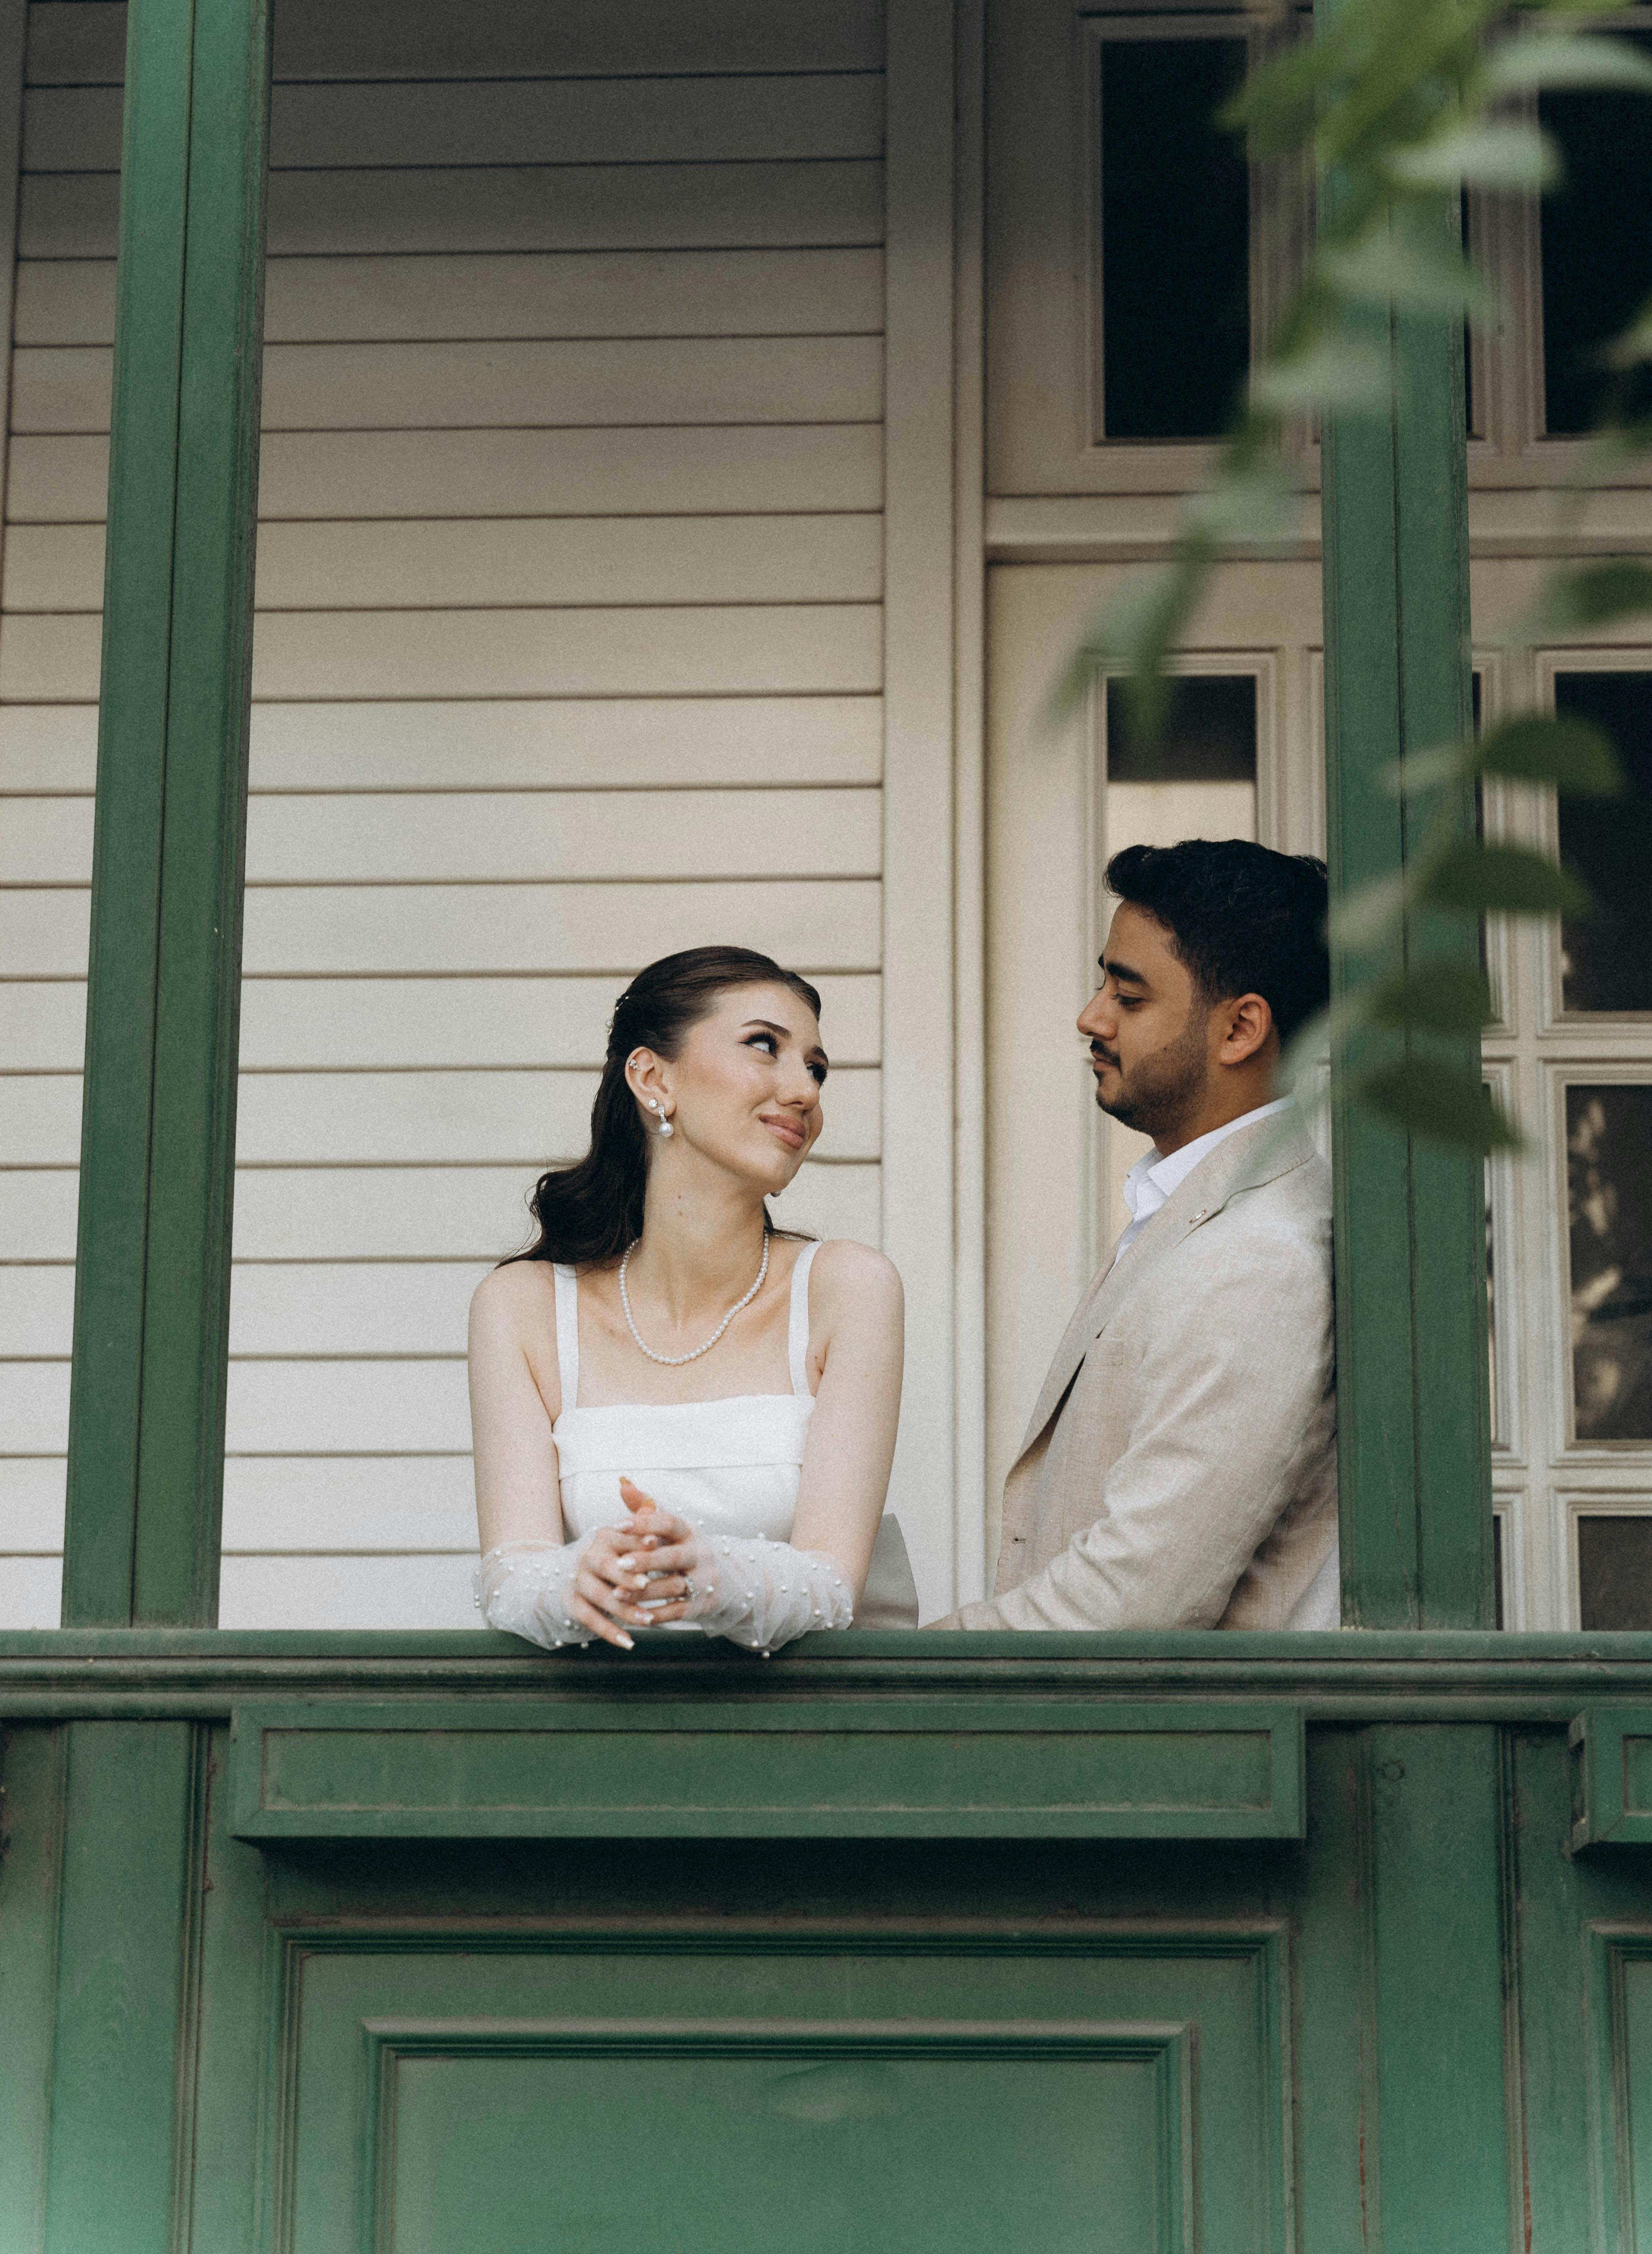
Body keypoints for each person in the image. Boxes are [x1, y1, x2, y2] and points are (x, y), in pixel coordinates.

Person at [931, 838, 1339, 1633]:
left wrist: (909, 1676)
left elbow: (1134, 1598)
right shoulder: (1195, 1210)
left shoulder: (1261, 1258)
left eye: (1129, 996)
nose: (1091, 1017)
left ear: (1239, 1028)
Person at [470, 945, 909, 1654]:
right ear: (651, 1077)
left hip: (812, 1735)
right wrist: (573, 1580)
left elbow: (830, 1582)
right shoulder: (519, 1307)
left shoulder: (848, 1288)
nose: (804, 1091)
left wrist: (711, 1574)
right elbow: (510, 1574)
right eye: (765, 1046)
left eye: (816, 1068)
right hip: (601, 1726)